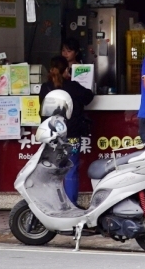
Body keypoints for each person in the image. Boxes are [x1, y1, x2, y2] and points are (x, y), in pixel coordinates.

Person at [39, 55, 94, 204]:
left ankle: (53, 205)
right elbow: (89, 96)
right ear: (66, 70)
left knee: (52, 171)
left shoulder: (45, 88)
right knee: (71, 170)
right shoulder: (73, 86)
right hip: (72, 136)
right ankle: (71, 205)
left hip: (52, 137)